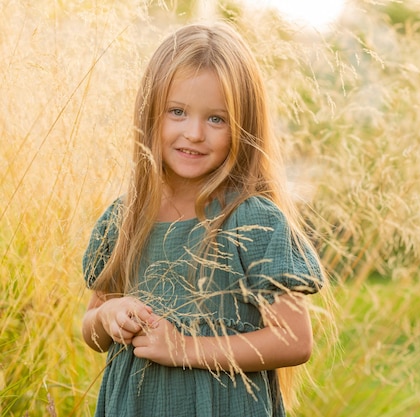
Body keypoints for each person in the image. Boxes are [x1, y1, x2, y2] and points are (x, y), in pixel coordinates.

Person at [81, 21, 326, 417]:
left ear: (242, 127)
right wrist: (108, 317)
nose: (194, 133)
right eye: (176, 112)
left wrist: (185, 349)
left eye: (216, 119)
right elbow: (91, 330)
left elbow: (295, 341)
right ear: (149, 114)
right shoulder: (125, 219)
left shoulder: (252, 221)